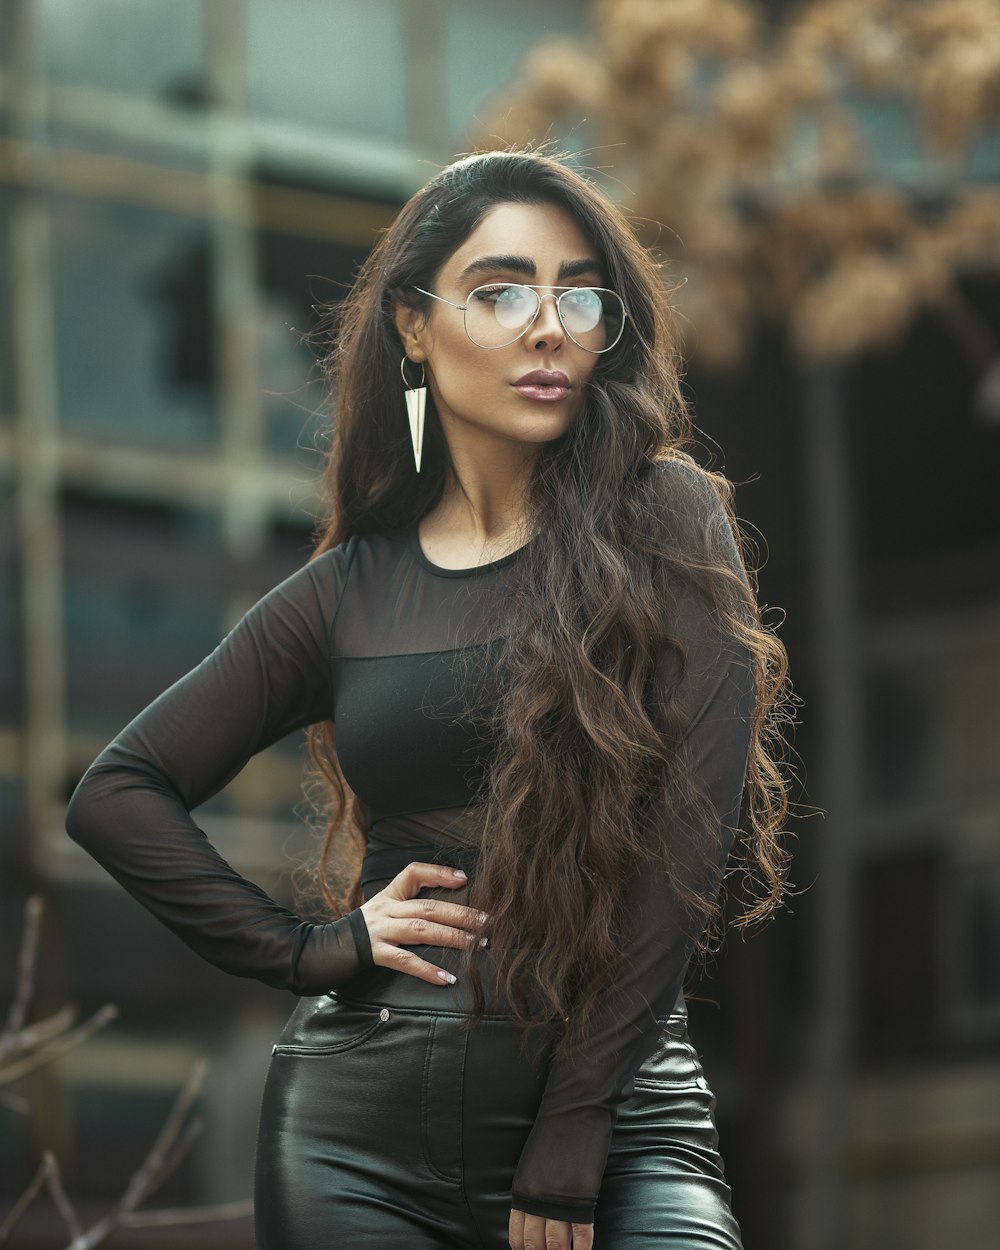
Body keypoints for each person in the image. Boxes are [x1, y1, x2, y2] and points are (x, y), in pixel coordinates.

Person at [66, 149, 790, 1250]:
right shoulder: (349, 591)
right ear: (414, 323)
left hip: (624, 1117)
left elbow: (686, 846)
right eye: (498, 292)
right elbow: (118, 790)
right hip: (359, 1141)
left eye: (577, 293)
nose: (546, 326)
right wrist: (306, 948)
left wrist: (574, 1127)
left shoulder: (669, 518)